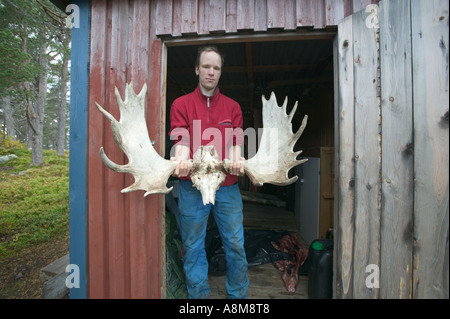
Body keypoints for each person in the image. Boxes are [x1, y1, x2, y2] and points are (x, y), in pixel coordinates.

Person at [169, 45, 249, 299]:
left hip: (227, 187)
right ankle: (199, 298)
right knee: (193, 246)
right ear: (197, 69)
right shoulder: (181, 104)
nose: (211, 72)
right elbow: (180, 140)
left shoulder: (233, 107)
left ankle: (237, 297)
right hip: (191, 188)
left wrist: (237, 161)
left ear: (221, 72)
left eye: (216, 68)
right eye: (206, 66)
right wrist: (180, 160)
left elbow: (236, 143)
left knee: (235, 244)